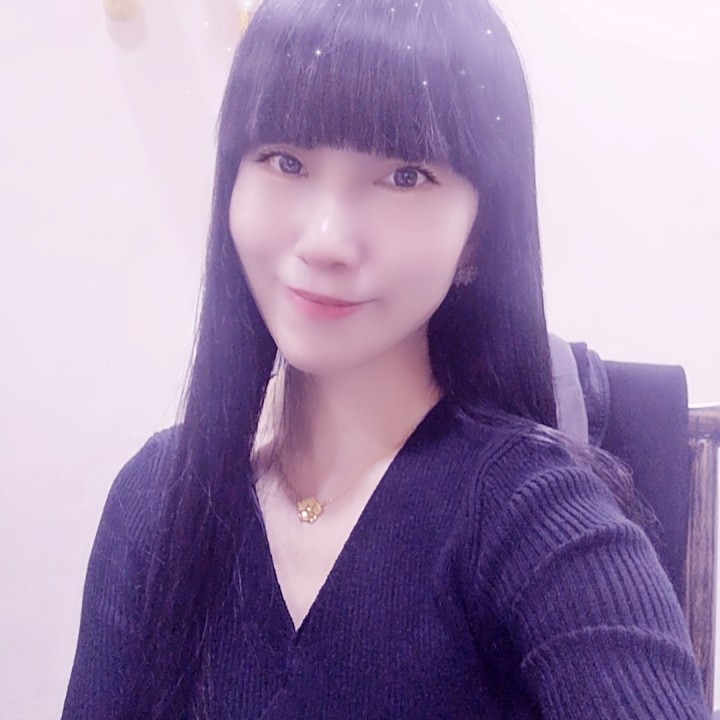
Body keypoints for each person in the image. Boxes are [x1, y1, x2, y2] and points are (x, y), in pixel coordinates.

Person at [61, 0, 710, 718]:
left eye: (405, 176)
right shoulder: (157, 501)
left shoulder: (539, 521)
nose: (326, 239)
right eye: (285, 160)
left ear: (478, 233)